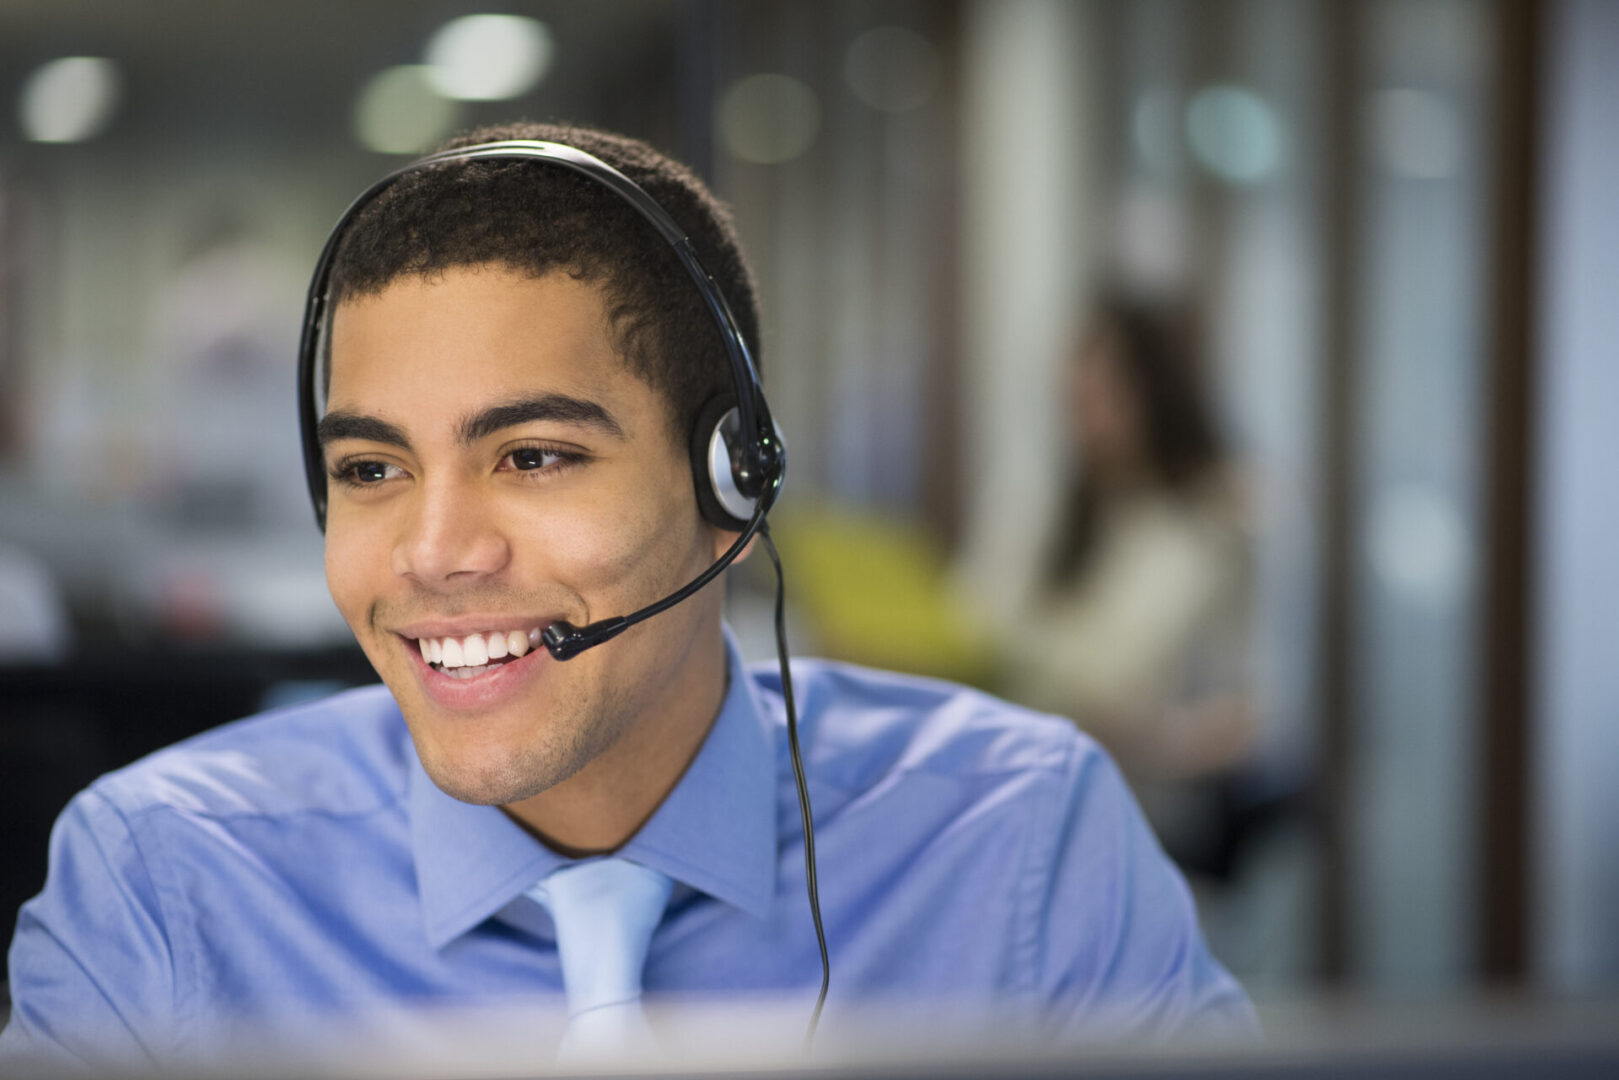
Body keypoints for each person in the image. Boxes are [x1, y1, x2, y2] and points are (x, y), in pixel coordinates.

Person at [0, 123, 1252, 1071]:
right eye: (371, 470)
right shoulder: (158, 886)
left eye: (533, 456)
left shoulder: (1026, 844)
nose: (432, 553)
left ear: (732, 481)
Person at [1004, 294, 1260, 872]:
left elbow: (1235, 718)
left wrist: (1150, 734)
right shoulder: (1052, 510)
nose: (1087, 420)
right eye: (1075, 400)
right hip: (1039, 811)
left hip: (1150, 824)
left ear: (1153, 395)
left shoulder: (1206, 525)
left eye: (1102, 398)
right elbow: (984, 620)